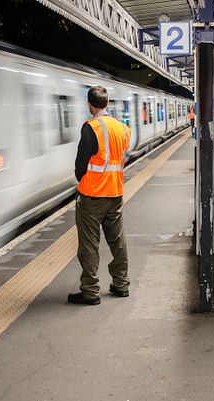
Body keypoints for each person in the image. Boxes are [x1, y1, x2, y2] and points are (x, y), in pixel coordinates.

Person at [68, 86, 131, 306]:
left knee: (89, 245)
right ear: (107, 103)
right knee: (118, 242)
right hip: (116, 193)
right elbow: (122, 159)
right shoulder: (123, 129)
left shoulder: (91, 128)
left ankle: (90, 291)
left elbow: (80, 165)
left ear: (89, 104)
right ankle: (121, 284)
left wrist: (83, 180)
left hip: (93, 196)